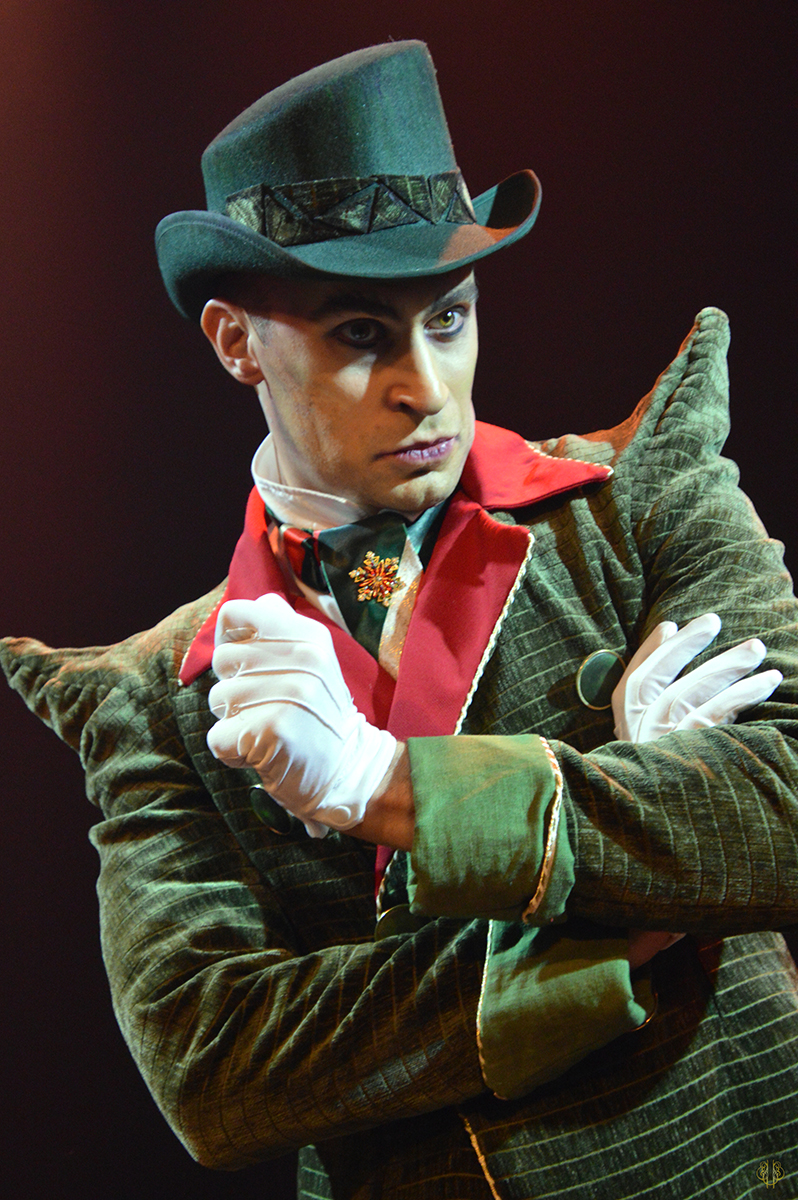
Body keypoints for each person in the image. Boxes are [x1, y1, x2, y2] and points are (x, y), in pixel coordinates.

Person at [3, 40, 798, 1200]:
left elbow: (785, 810)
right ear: (236, 341)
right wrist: (635, 894)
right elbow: (214, 1072)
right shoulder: (154, 692)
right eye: (360, 334)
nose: (426, 386)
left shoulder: (637, 497)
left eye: (451, 316)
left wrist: (385, 786)